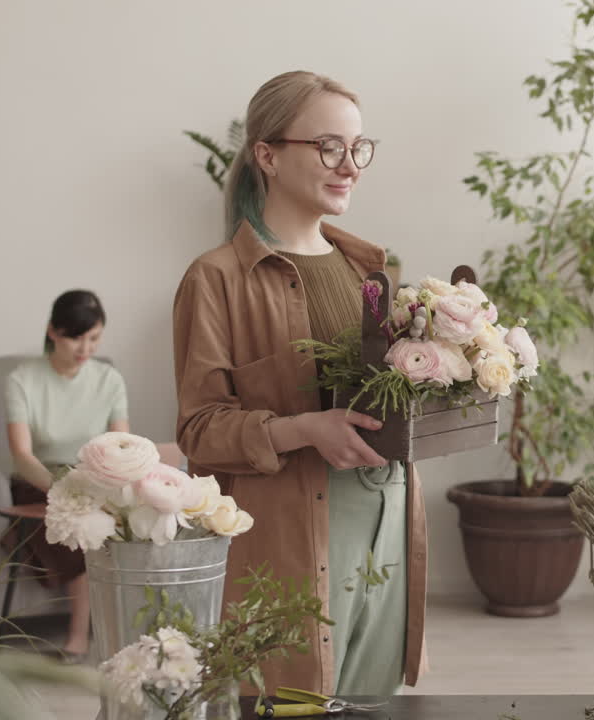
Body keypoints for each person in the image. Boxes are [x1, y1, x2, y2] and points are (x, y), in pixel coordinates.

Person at [172, 71, 424, 697]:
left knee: (371, 701)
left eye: (358, 148)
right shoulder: (216, 279)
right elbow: (199, 431)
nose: (350, 165)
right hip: (291, 530)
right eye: (329, 147)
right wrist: (303, 429)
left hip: (390, 511)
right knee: (295, 700)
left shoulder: (370, 271)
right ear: (268, 155)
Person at [5, 289, 128, 662]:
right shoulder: (22, 380)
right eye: (76, 337)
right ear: (53, 332)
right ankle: (79, 637)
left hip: (96, 479)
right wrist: (63, 487)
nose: (85, 348)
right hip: (38, 481)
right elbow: (22, 454)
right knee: (80, 526)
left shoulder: (109, 380)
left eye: (94, 338)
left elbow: (121, 445)